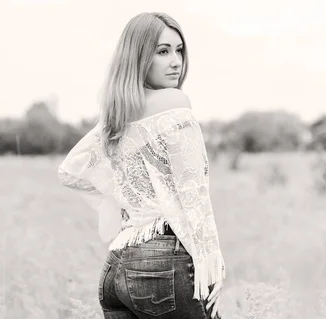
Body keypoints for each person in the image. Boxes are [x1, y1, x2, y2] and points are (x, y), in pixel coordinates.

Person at [57, 12, 226, 318]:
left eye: (179, 50)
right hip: (163, 262)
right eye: (163, 51)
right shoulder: (175, 102)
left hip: (117, 265)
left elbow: (71, 170)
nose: (176, 61)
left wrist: (124, 206)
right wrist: (210, 262)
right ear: (138, 57)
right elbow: (193, 192)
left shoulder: (116, 117)